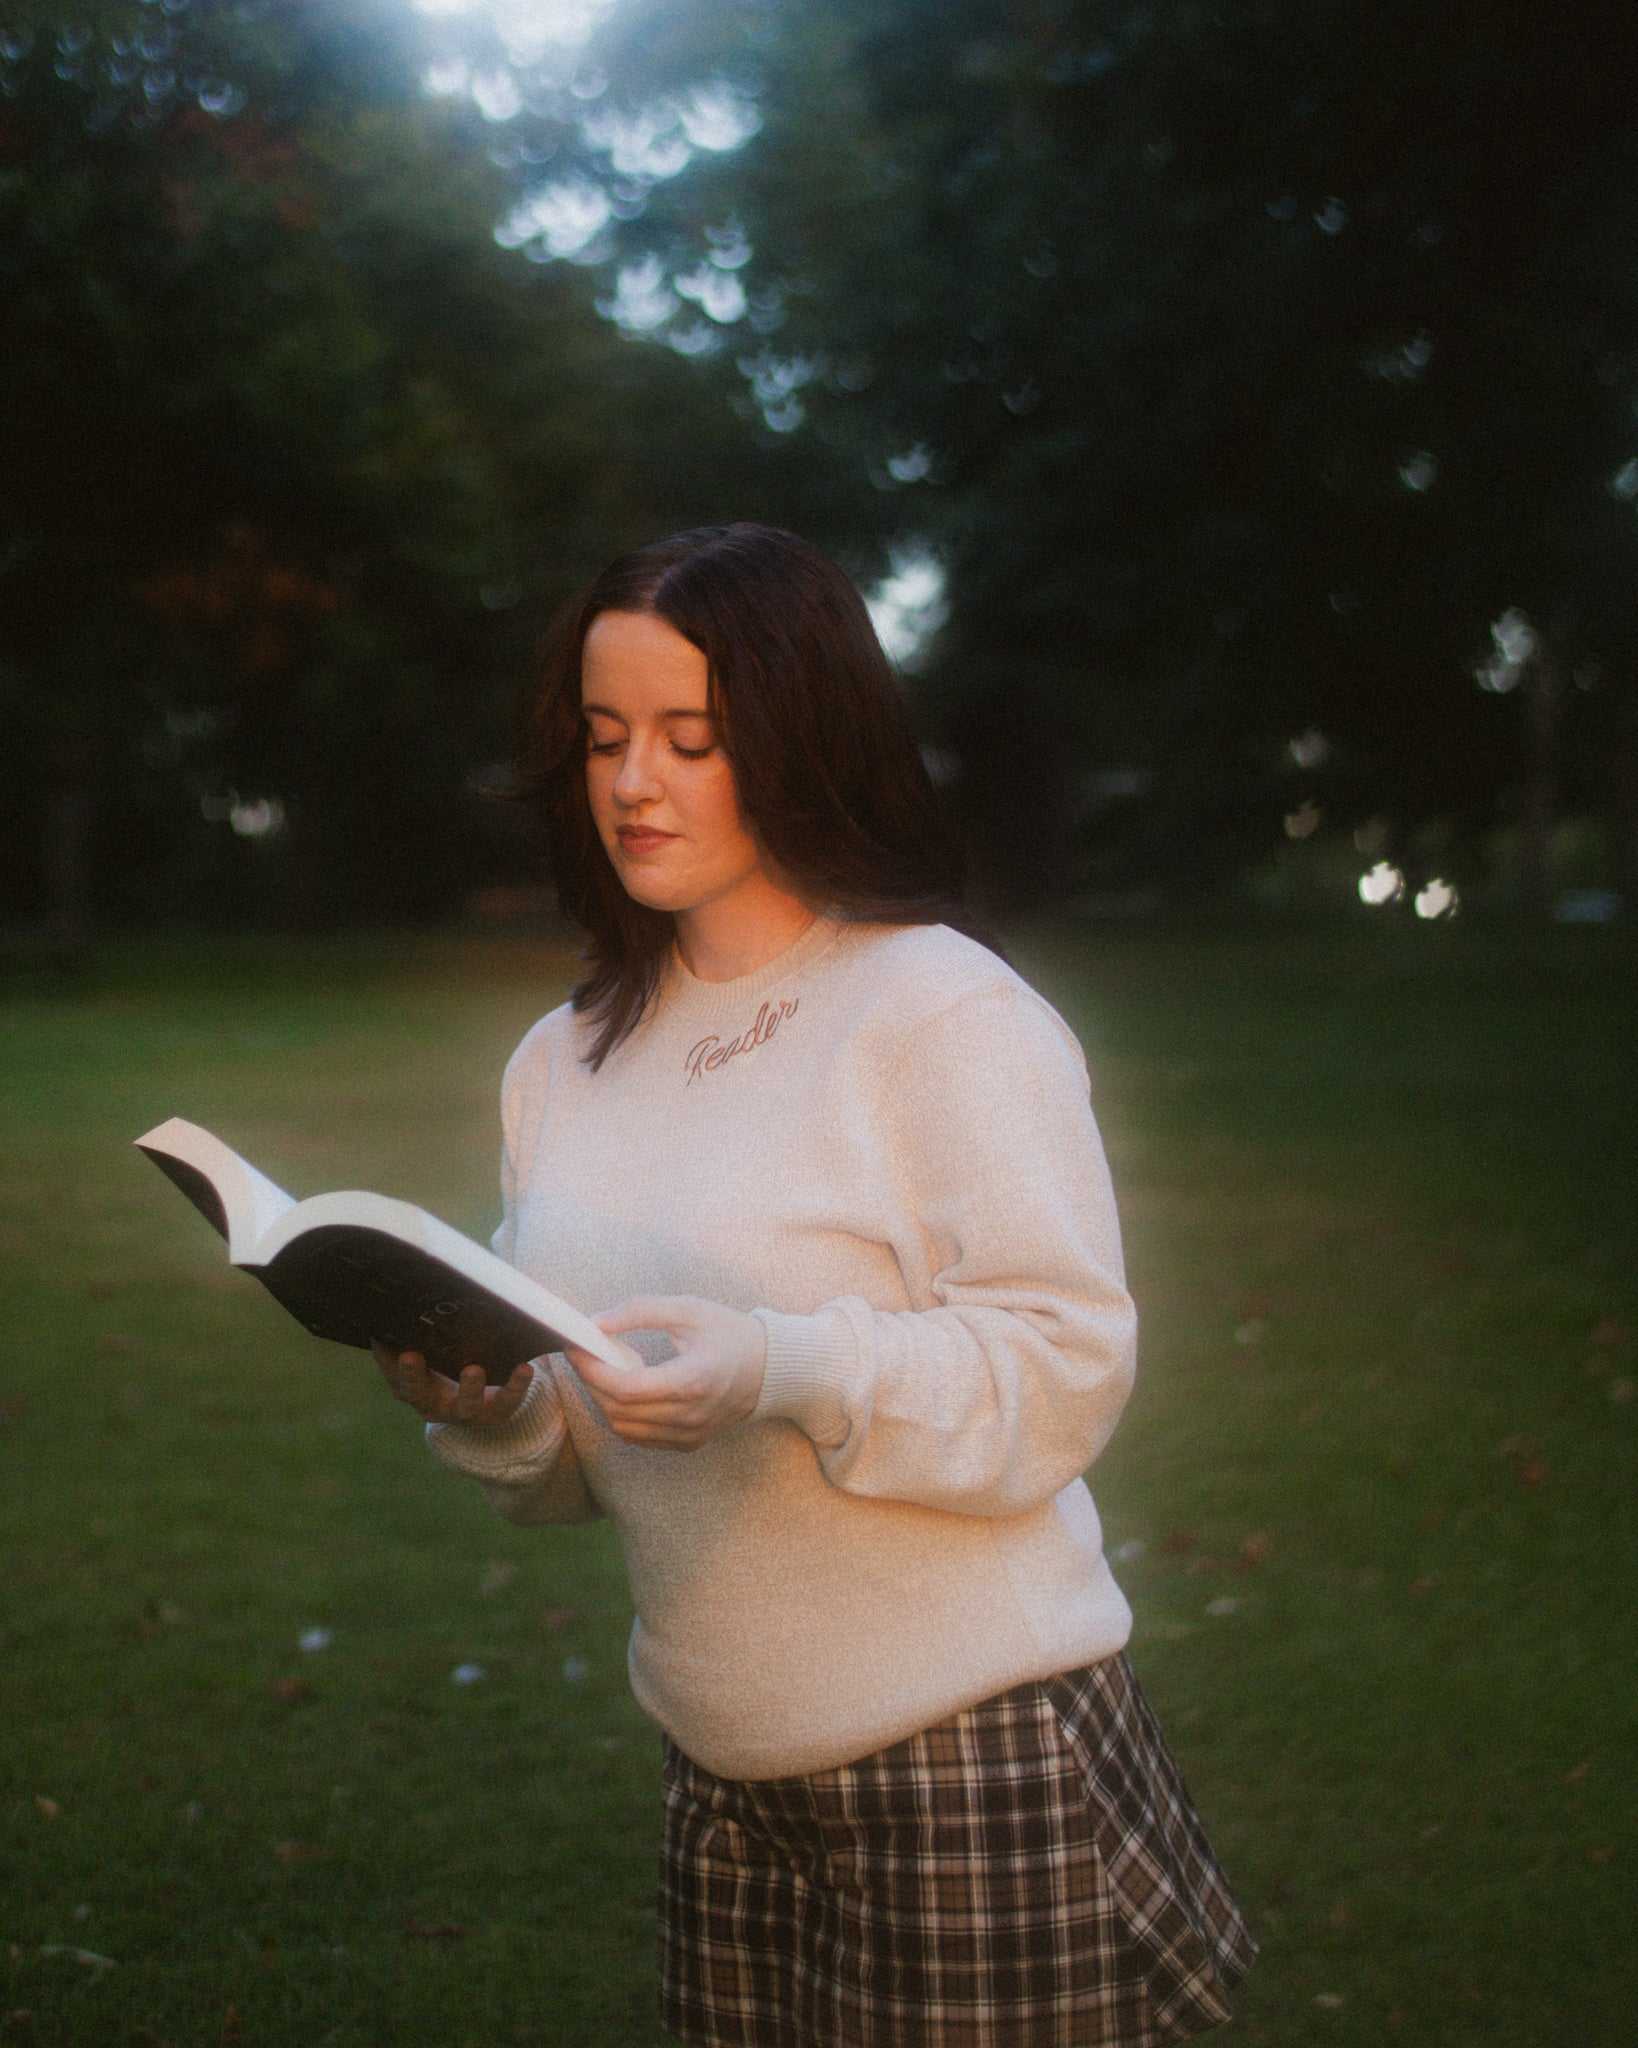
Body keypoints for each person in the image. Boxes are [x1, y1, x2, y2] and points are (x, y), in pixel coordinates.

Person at [372, 523, 1257, 2046]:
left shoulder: (940, 1012)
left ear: (800, 735)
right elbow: (584, 1460)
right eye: (603, 736)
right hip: (720, 1775)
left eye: (691, 738)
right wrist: (495, 1404)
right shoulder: (561, 1061)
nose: (632, 782)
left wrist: (778, 1367)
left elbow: (1061, 1368)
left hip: (970, 1762)